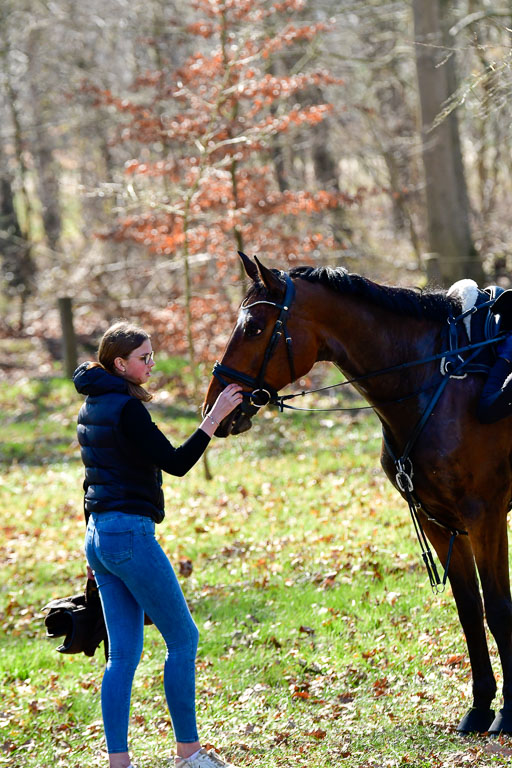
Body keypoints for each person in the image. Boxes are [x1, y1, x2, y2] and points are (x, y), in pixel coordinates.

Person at [73, 321, 244, 768]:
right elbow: (176, 463)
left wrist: (93, 547)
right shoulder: (127, 410)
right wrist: (215, 417)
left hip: (99, 538)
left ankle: (119, 762)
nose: (151, 364)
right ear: (119, 363)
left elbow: (92, 477)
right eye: (144, 358)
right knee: (184, 638)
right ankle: (189, 755)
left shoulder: (92, 403)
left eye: (152, 355)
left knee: (124, 656)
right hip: (128, 535)